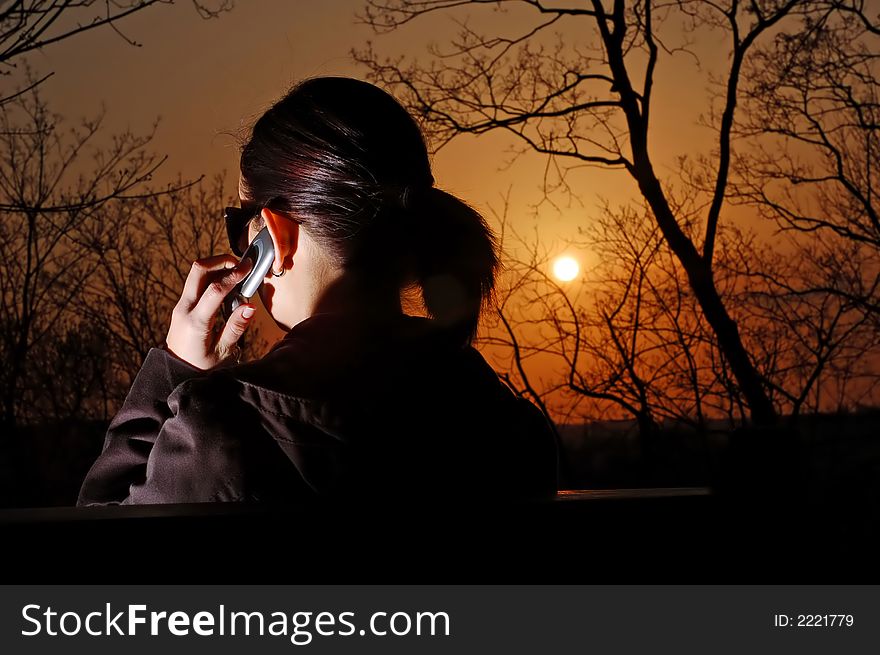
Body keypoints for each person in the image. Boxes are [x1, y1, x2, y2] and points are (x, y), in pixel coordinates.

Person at [76, 76, 558, 506]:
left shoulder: (220, 430)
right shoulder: (502, 421)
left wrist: (173, 373)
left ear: (274, 236)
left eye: (241, 223)